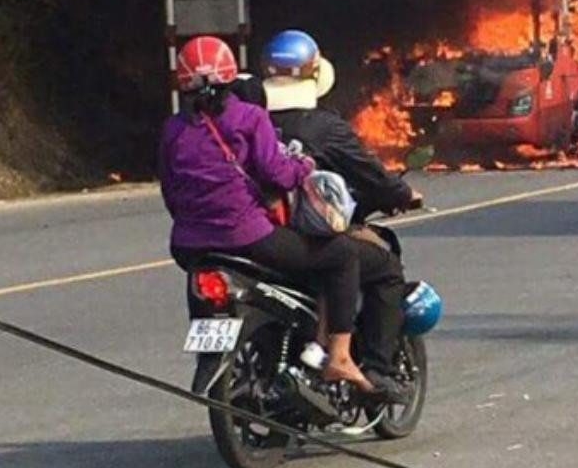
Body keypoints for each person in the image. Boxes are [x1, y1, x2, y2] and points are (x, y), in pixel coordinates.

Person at [160, 35, 374, 393]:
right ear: (230, 78)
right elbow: (277, 173)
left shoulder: (173, 129)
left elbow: (170, 190)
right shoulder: (249, 117)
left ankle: (211, 353)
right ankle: (338, 354)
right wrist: (303, 167)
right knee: (341, 255)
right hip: (247, 237)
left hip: (188, 246)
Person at [261, 29, 419, 400]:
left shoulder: (250, 121)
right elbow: (371, 175)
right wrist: (402, 193)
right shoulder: (324, 127)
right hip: (301, 238)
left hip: (259, 234)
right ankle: (375, 369)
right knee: (384, 269)